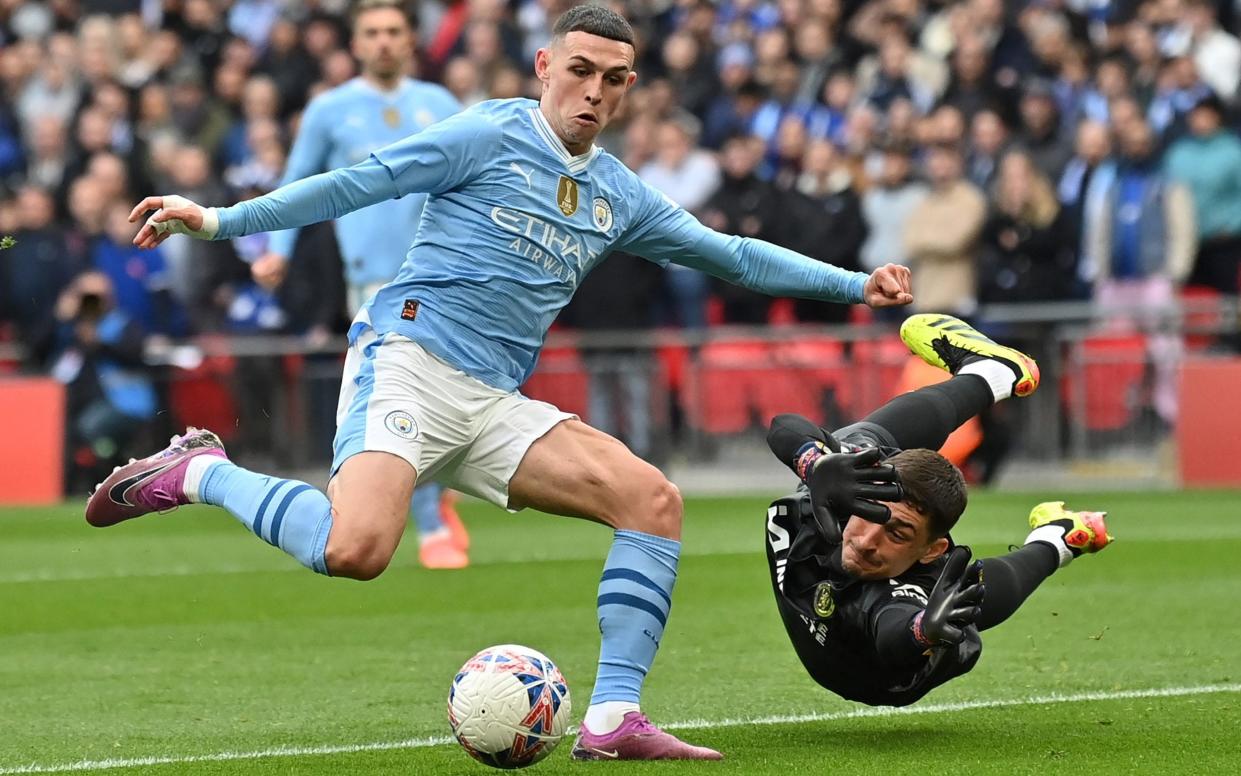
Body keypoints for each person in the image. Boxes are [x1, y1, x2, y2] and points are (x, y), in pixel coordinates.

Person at [89, 5, 912, 761]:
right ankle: (197, 470)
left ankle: (610, 719)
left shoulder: (616, 193)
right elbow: (357, 183)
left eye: (613, 78)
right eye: (580, 71)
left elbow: (731, 255)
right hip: (408, 360)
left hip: (492, 401)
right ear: (544, 66)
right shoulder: (484, 135)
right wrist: (224, 217)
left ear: (629, 89)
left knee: (651, 502)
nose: (593, 91)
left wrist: (853, 284)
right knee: (356, 550)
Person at [763, 313, 1112, 707]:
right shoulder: (850, 486)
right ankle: (993, 374)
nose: (868, 540)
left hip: (872, 673)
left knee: (963, 599)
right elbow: (784, 426)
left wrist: (921, 632)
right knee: (857, 443)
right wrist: (816, 464)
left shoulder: (909, 591)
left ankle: (1057, 539)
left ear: (931, 549)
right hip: (830, 551)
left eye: (897, 533)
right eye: (871, 512)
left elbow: (892, 632)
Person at [249, 0, 469, 570]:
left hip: (440, 277)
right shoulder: (330, 109)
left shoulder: (439, 105)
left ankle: (424, 513)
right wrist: (277, 250)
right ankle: (426, 517)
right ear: (354, 44)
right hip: (369, 287)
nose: (384, 42)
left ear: (411, 40)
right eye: (372, 32)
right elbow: (298, 182)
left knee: (424, 403)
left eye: (394, 31)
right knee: (396, 405)